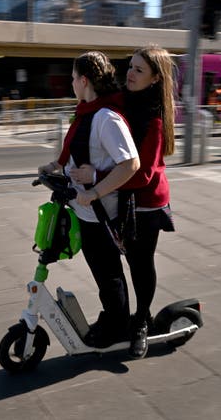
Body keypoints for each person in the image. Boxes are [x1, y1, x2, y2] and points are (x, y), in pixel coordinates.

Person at [70, 45, 176, 359]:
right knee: (113, 263)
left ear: (156, 78)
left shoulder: (153, 119)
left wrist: (95, 177)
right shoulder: (121, 101)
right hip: (119, 197)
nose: (129, 73)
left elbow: (140, 173)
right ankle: (118, 317)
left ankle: (142, 320)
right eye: (130, 66)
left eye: (139, 70)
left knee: (140, 264)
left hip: (145, 202)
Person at [38, 51, 140, 348]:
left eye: (72, 78)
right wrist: (55, 167)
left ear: (84, 81)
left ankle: (119, 325)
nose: (71, 83)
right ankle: (113, 317)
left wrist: (94, 191)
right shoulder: (87, 112)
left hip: (102, 212)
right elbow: (80, 152)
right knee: (101, 271)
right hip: (85, 210)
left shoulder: (106, 118)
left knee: (108, 274)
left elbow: (130, 164)